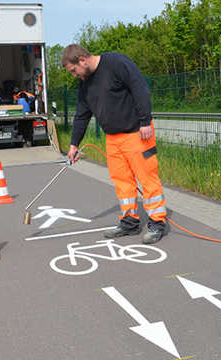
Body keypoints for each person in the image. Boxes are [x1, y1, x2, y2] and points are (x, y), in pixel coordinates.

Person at [61, 44, 167, 244]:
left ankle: (157, 223)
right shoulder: (85, 83)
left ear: (82, 60)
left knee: (147, 178)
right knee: (122, 182)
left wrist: (145, 120)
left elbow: (140, 88)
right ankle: (129, 222)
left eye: (73, 70)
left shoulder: (116, 63)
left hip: (137, 133)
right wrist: (74, 144)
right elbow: (82, 114)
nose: (74, 75)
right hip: (113, 139)